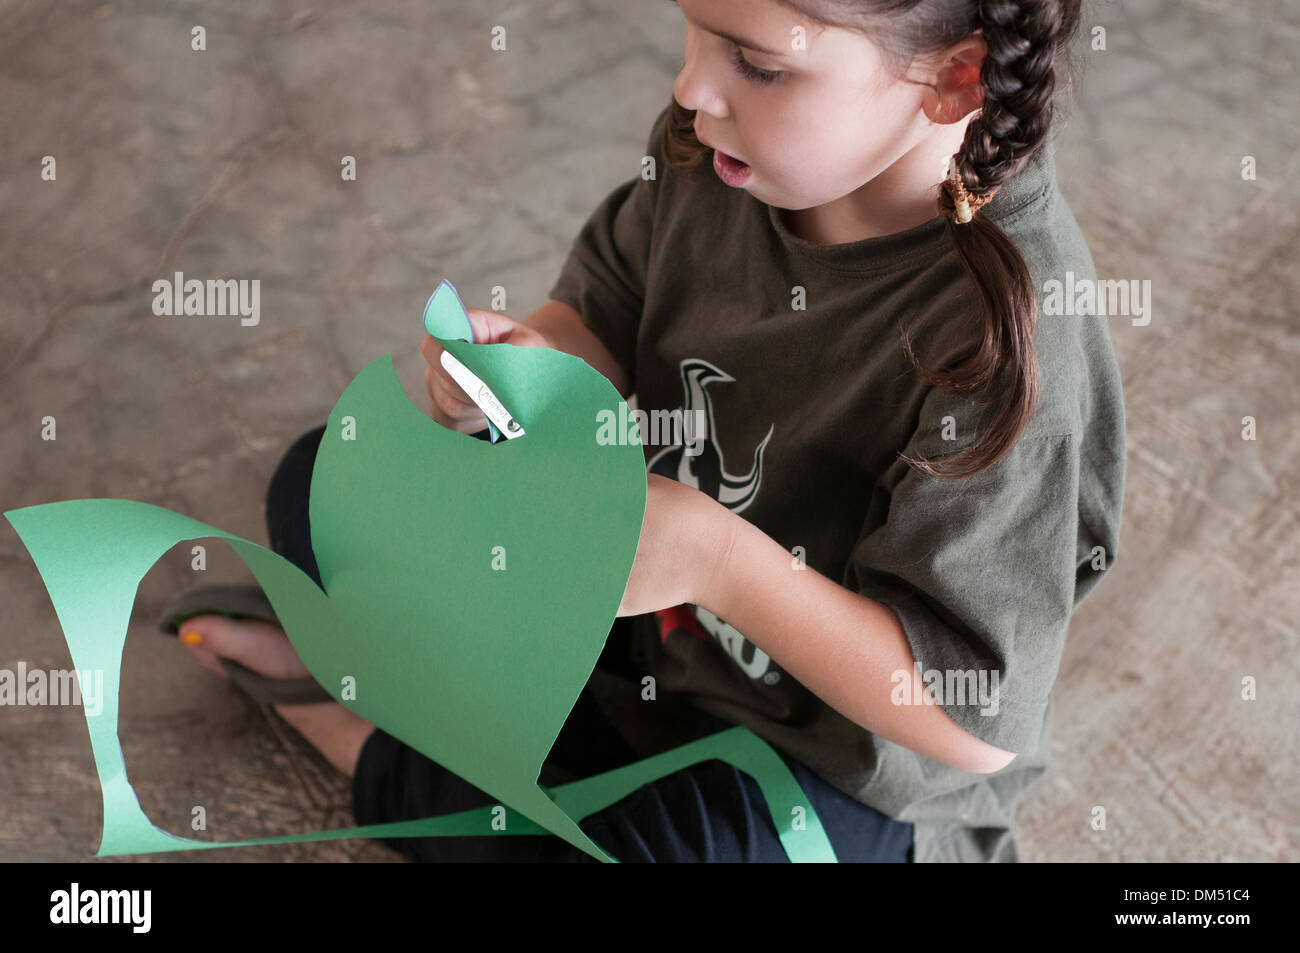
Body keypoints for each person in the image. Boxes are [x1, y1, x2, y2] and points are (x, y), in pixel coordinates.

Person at [177, 0, 1124, 862]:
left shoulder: (1010, 339)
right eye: (694, 28)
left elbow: (973, 711)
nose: (692, 87)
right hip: (638, 628)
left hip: (829, 762)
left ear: (953, 79)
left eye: (756, 63)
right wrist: (525, 371)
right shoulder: (720, 147)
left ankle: (362, 736)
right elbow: (605, 312)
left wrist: (722, 564)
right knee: (325, 481)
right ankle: (491, 741)